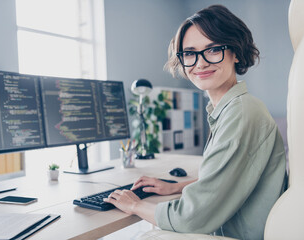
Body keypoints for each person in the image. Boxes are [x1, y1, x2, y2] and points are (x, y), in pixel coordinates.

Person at [104, 5, 287, 239]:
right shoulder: (230, 109)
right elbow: (227, 176)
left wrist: (135, 206)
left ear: (236, 52)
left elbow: (191, 218)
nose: (199, 63)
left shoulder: (241, 113)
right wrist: (176, 186)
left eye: (213, 50)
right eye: (189, 53)